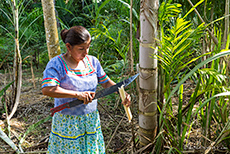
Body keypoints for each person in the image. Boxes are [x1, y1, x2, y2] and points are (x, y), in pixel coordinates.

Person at [41, 26, 131, 154]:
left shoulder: (92, 62)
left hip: (91, 121)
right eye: (81, 49)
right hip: (68, 124)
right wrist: (77, 94)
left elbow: (105, 82)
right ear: (68, 47)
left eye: (88, 47)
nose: (86, 52)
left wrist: (122, 93)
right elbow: (47, 89)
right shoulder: (56, 64)